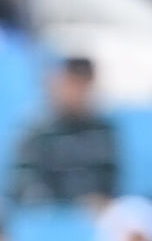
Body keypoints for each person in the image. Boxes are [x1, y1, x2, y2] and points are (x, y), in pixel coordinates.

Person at [11, 57, 118, 205]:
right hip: (50, 212)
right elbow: (24, 181)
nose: (76, 92)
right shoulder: (38, 132)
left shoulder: (103, 130)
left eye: (82, 85)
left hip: (94, 212)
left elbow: (108, 177)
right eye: (71, 84)